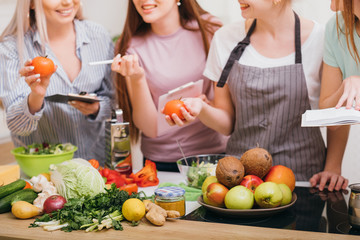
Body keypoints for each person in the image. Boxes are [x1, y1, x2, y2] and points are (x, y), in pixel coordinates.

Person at [167, 0, 348, 190]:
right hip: (239, 180)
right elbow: (227, 123)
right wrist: (201, 109)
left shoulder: (321, 38)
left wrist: (333, 168)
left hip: (303, 180)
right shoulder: (225, 38)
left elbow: (337, 110)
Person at [111, 0, 227, 171]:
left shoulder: (210, 29)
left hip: (214, 158)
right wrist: (137, 78)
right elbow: (150, 128)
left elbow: (226, 119)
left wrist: (202, 108)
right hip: (160, 165)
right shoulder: (129, 46)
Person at [0, 0, 114, 163]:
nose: (67, 2)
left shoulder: (99, 35)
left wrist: (97, 107)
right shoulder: (11, 48)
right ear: (31, 3)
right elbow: (18, 127)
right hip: (45, 175)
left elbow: (117, 103)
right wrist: (36, 97)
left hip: (97, 166)